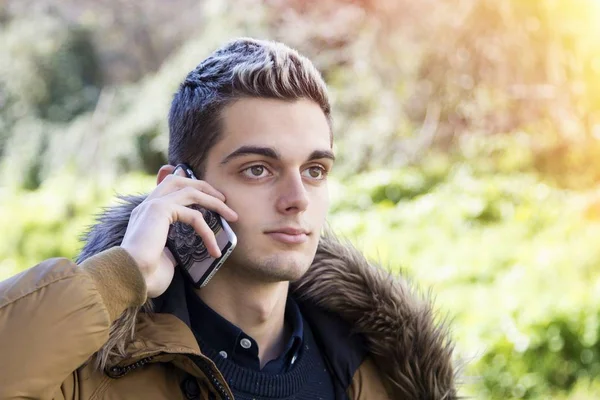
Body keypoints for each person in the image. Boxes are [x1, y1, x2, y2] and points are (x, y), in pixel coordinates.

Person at [0, 38, 457, 399]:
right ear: (177, 187)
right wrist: (123, 274)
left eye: (314, 170)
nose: (297, 199)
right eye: (258, 169)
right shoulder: (88, 371)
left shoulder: (385, 373)